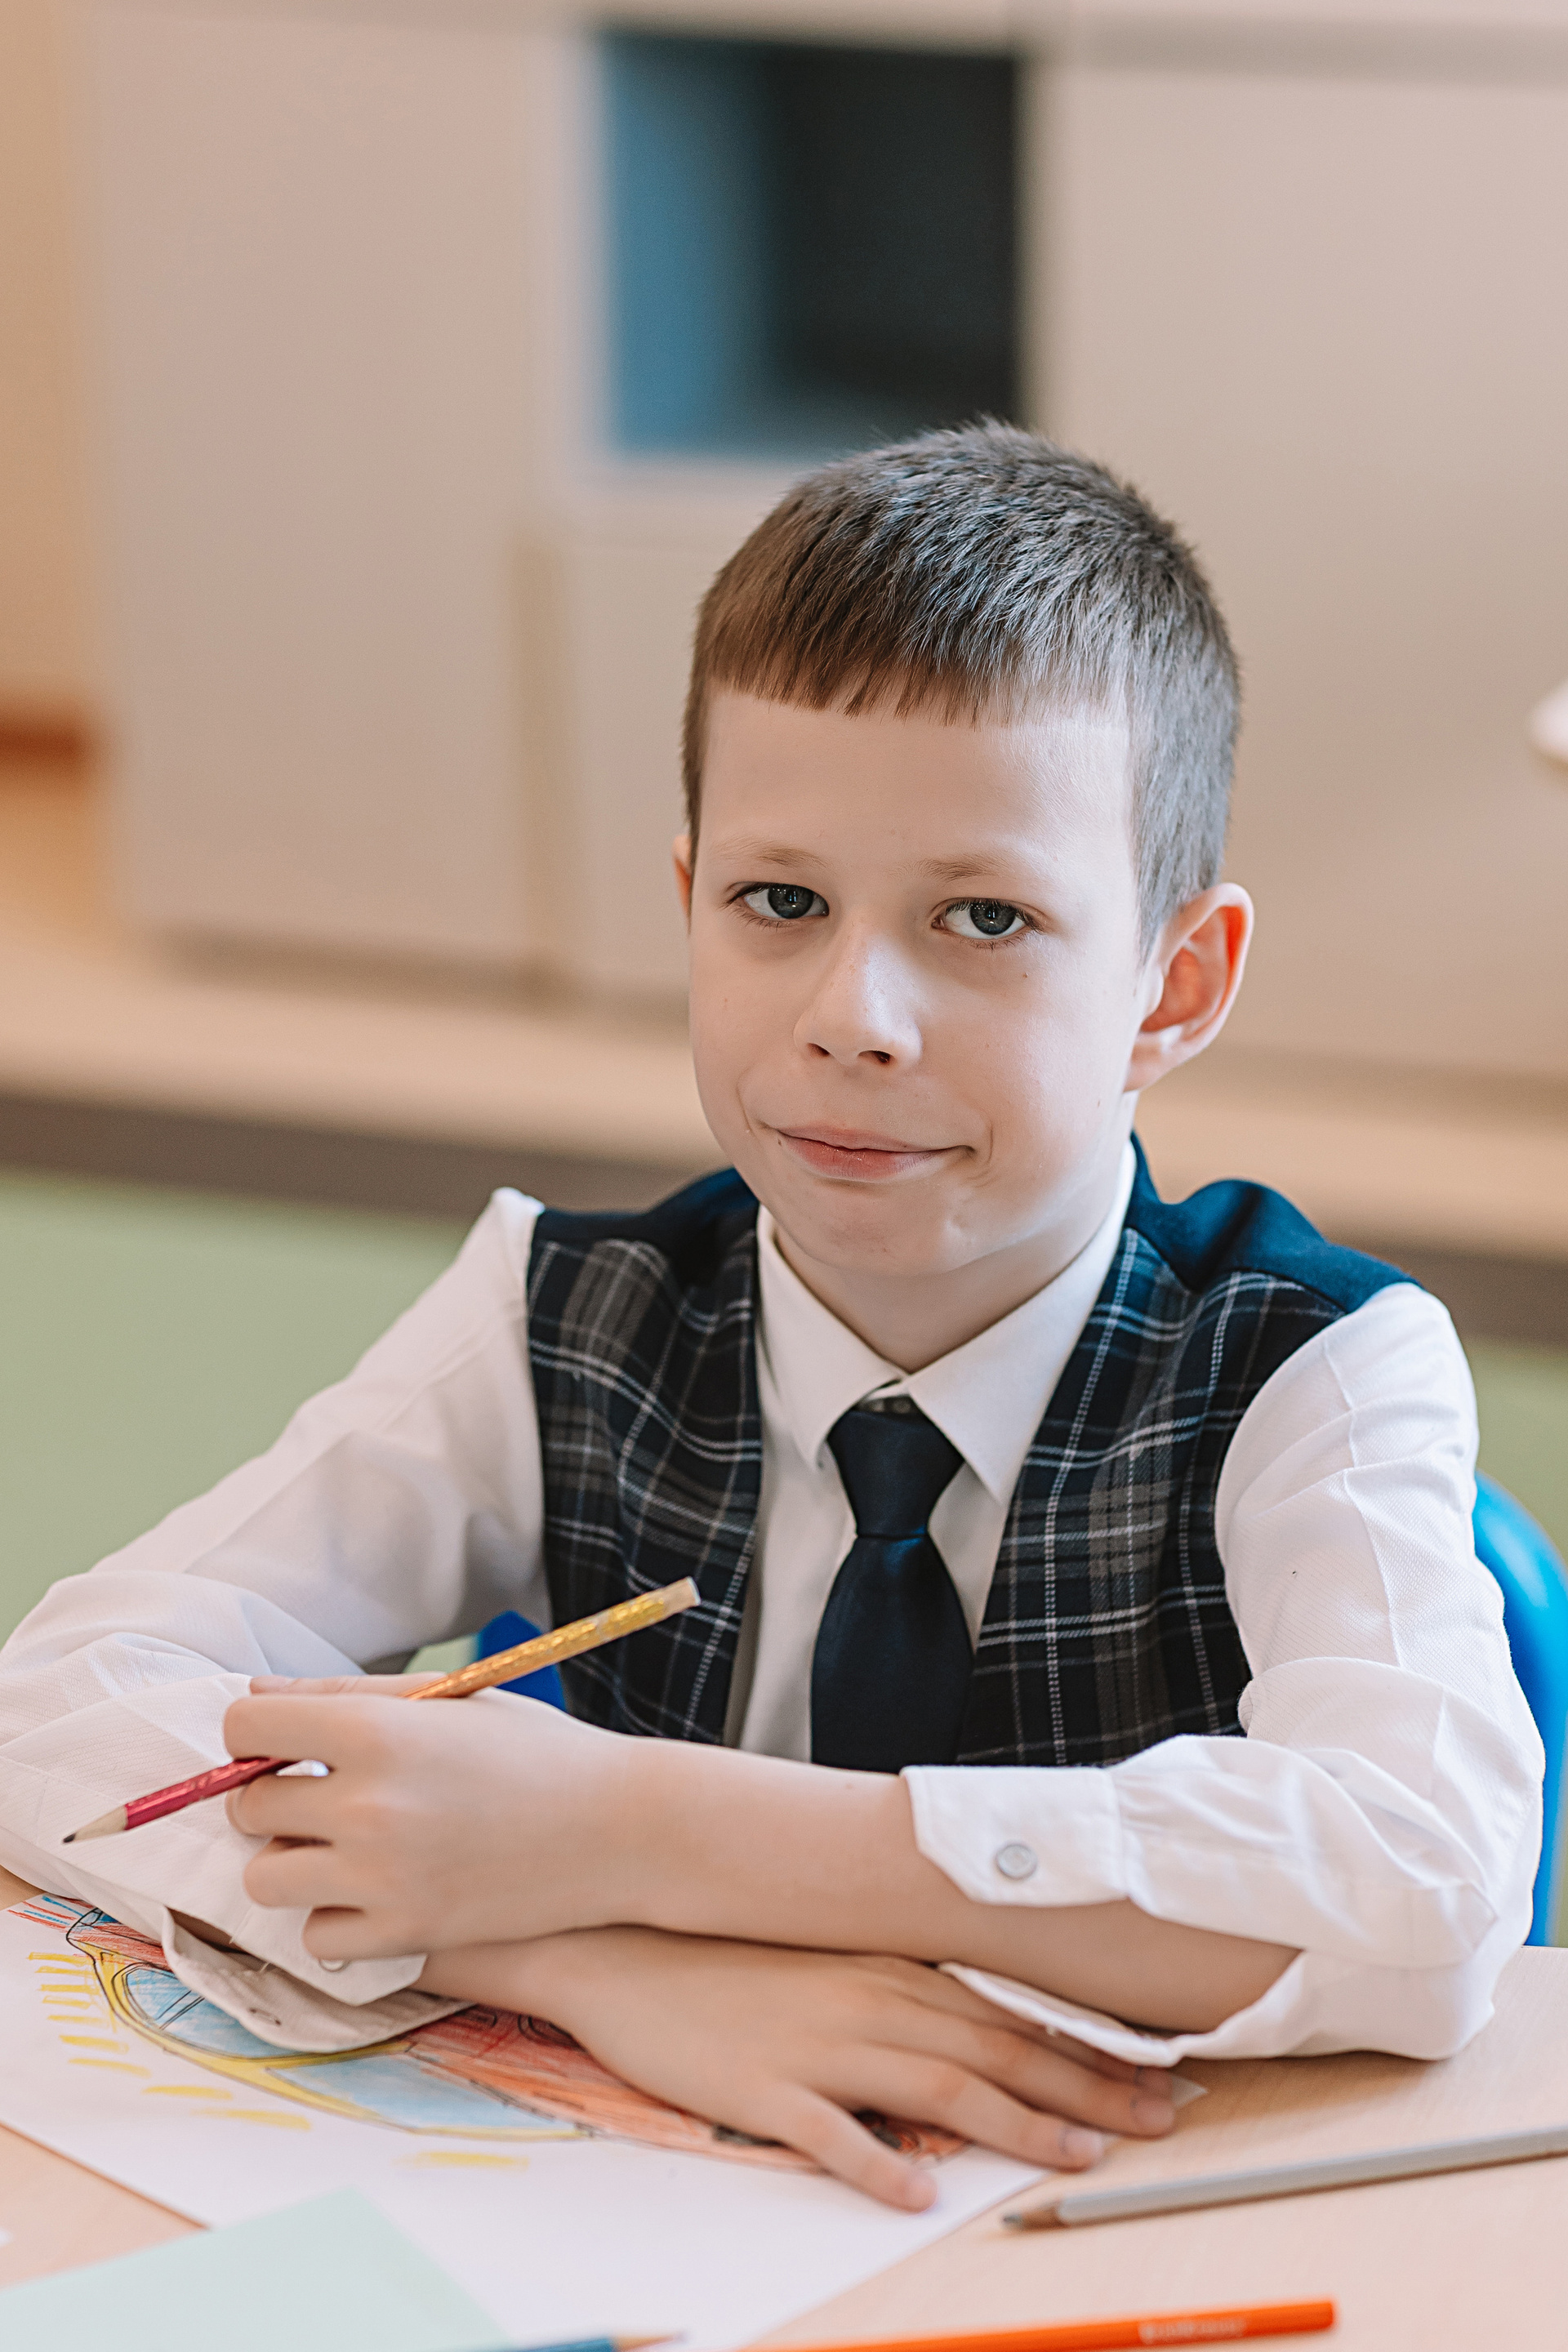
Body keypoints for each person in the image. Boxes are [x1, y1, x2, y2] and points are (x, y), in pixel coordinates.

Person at [0, 426, 1541, 2210]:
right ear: (690, 907)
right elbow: (57, 1706)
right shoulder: (551, 1309)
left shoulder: (1320, 1367)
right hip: (651, 2218)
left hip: (1107, 2223)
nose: (852, 1014)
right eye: (779, 902)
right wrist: (575, 1955)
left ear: (1170, 985)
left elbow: (1429, 1890)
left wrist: (631, 1830)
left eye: (984, 916)